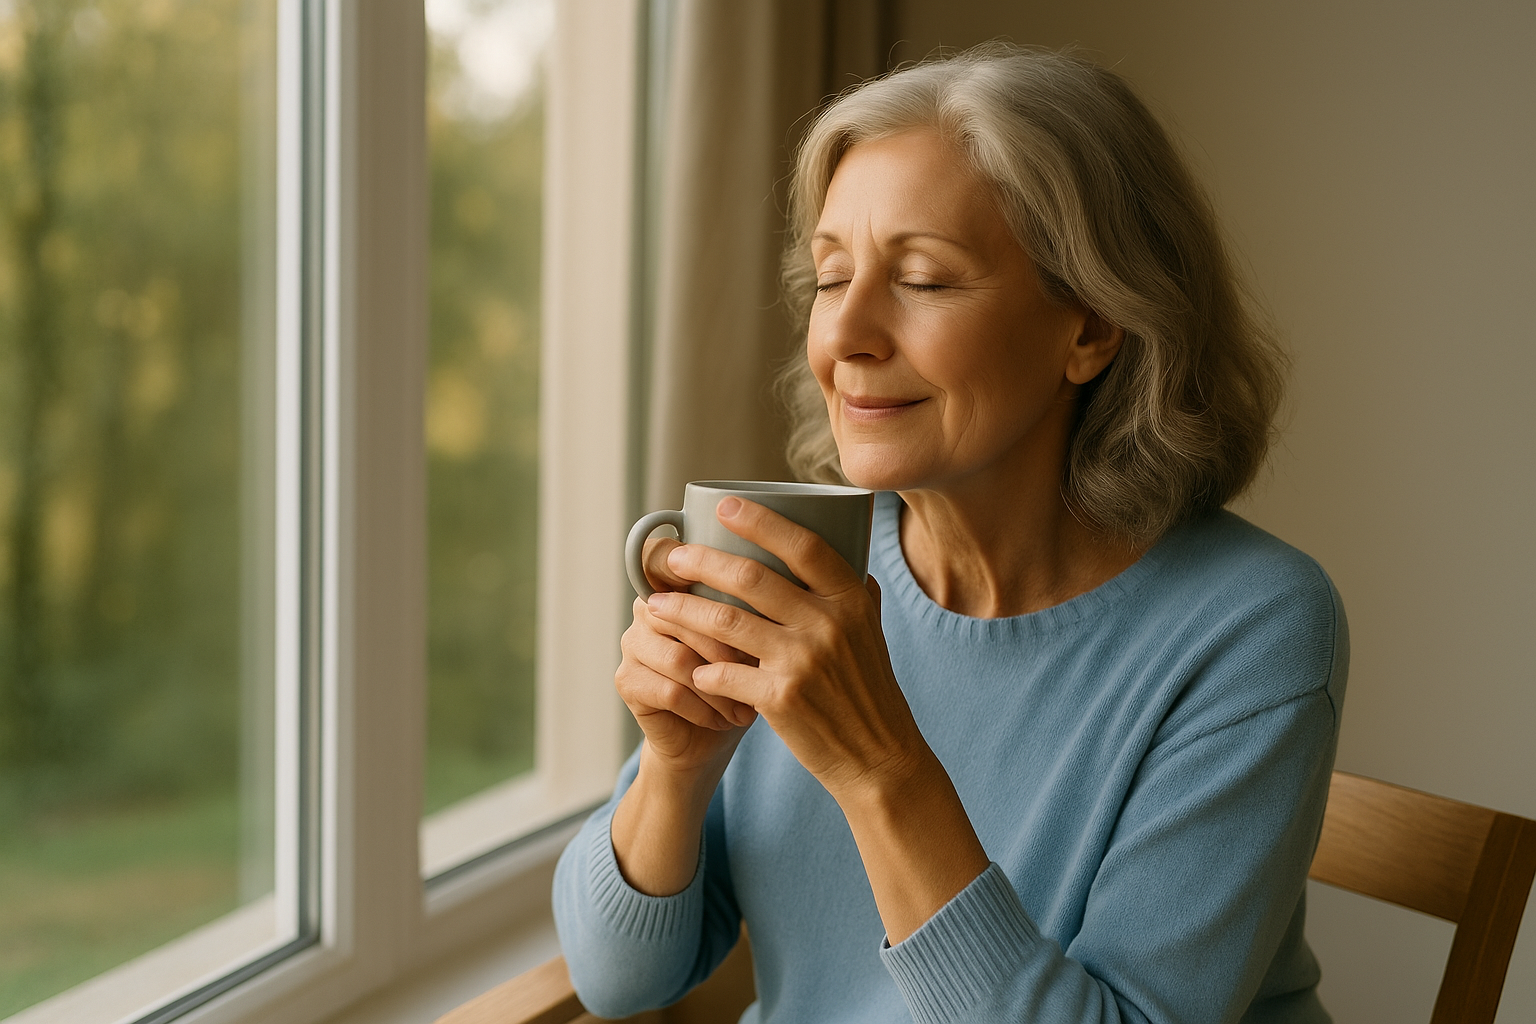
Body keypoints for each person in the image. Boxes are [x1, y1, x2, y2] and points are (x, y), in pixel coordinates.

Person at [554, 42, 1347, 1024]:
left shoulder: (1250, 624)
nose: (845, 337)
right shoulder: (813, 565)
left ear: (1091, 328)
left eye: (924, 279)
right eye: (830, 277)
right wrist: (674, 769)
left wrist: (882, 767)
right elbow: (617, 978)